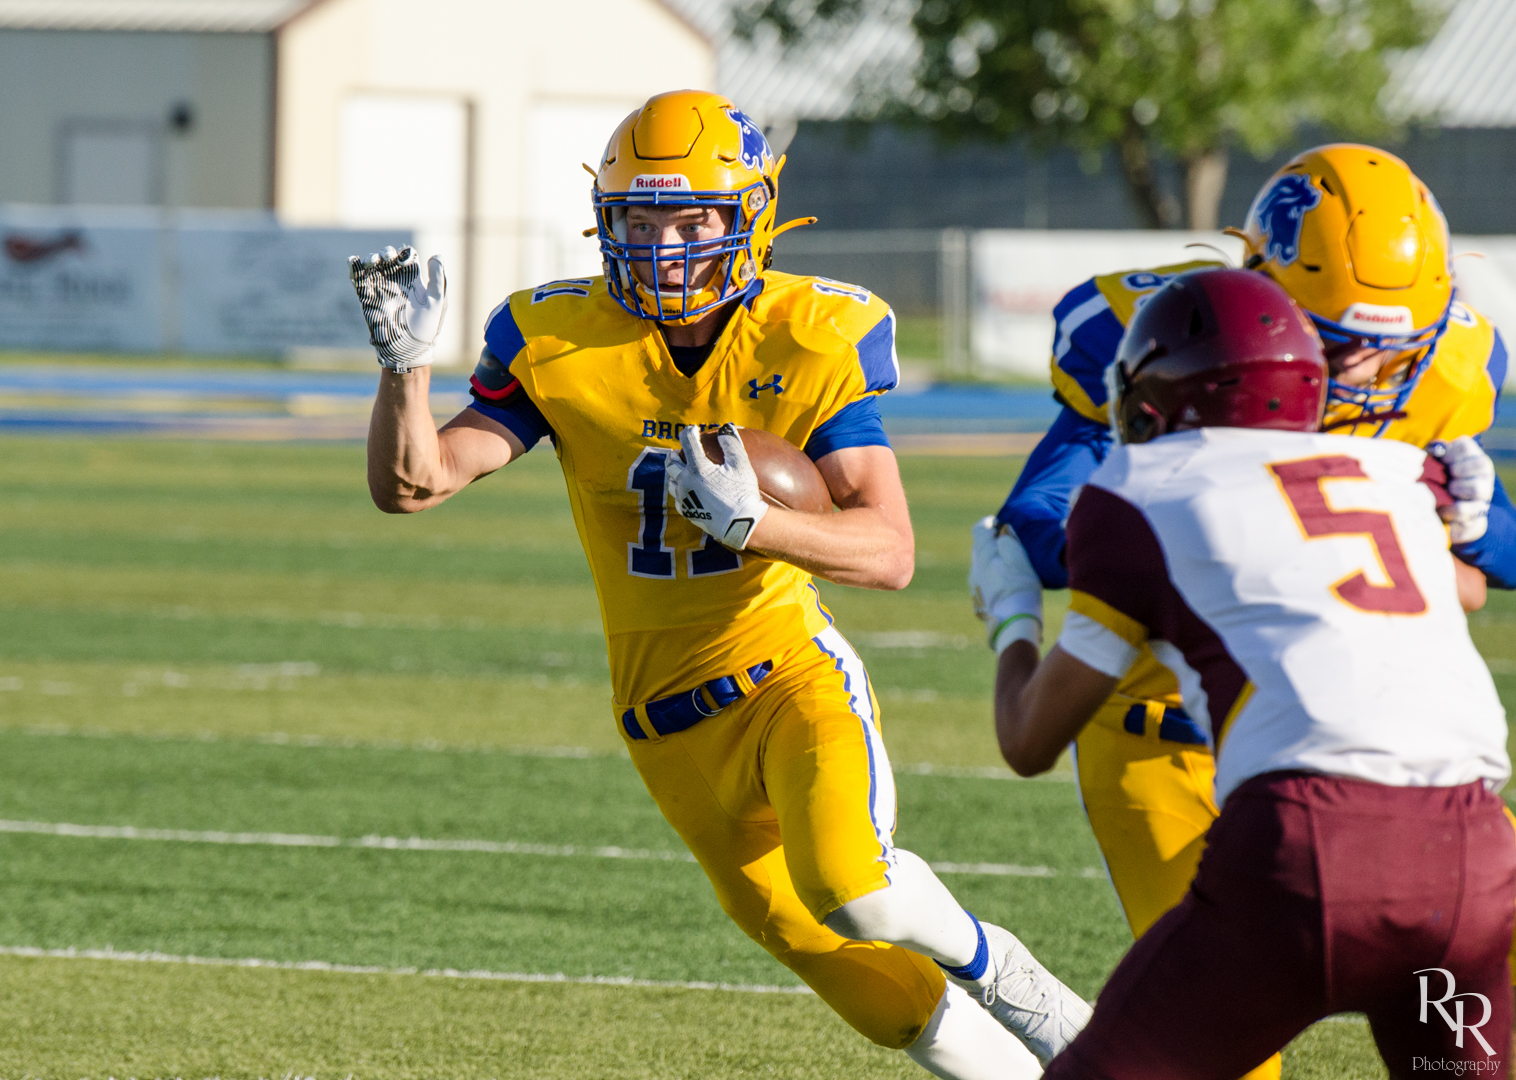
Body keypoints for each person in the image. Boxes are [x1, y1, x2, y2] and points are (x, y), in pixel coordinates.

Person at [351, 90, 1087, 1078]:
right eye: (642, 221)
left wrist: (757, 525)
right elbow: (414, 484)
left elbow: (889, 551)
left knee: (854, 889)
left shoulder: (811, 333)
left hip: (787, 676)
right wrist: (404, 368)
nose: (665, 247)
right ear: (606, 224)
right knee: (865, 989)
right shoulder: (557, 340)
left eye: (693, 219)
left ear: (752, 216)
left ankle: (1022, 987)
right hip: (661, 720)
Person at [970, 143, 1513, 1080]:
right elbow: (1041, 513)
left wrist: (1472, 514)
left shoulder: (1427, 383)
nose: (1360, 372)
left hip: (1306, 825)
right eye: (1334, 340)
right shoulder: (1178, 340)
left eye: (1391, 352)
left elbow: (1489, 557)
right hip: (1186, 737)